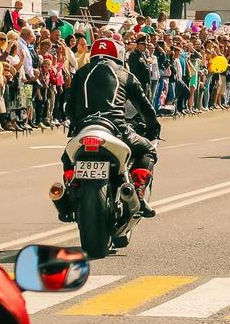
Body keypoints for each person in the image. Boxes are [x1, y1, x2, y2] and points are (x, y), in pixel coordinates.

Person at [63, 37, 161, 218]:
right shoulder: (125, 74)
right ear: (119, 55)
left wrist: (76, 125)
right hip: (116, 128)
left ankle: (70, 190)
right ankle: (138, 191)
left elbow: (68, 106)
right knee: (147, 150)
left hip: (85, 128)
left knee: (67, 158)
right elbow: (145, 106)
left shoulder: (81, 72)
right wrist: (154, 128)